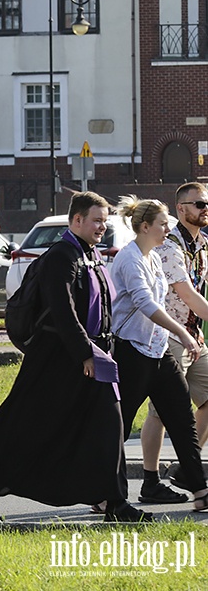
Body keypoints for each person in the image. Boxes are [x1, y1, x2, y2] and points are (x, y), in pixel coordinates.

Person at [0, 191, 142, 522]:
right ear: (77, 220)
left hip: (92, 356)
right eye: (97, 220)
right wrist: (85, 354)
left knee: (108, 424)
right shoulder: (61, 256)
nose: (102, 227)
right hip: (57, 358)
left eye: (105, 221)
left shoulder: (91, 254)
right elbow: (63, 311)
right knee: (25, 423)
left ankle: (115, 502)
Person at [110, 196, 208, 514]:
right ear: (145, 226)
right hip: (132, 352)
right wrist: (181, 332)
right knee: (120, 426)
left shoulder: (152, 256)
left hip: (158, 350)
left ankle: (200, 490)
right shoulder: (129, 259)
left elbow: (160, 302)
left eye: (167, 223)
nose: (167, 228)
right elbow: (144, 303)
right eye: (163, 224)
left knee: (182, 420)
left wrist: (176, 335)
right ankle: (105, 494)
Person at [140, 183, 208, 503]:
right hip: (168, 337)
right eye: (199, 204)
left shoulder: (204, 243)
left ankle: (185, 469)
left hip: (195, 335)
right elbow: (187, 294)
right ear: (181, 209)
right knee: (161, 412)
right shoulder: (168, 246)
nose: (205, 208)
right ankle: (150, 481)